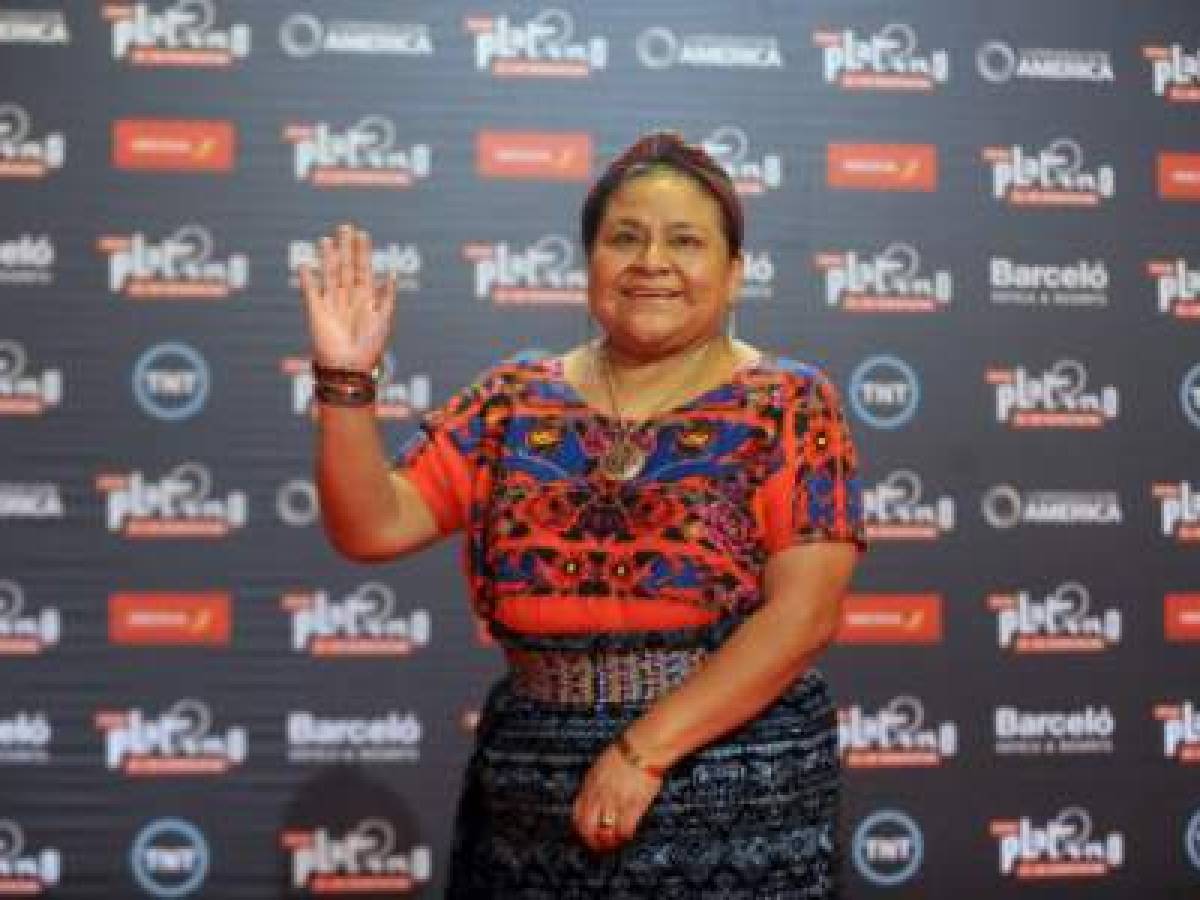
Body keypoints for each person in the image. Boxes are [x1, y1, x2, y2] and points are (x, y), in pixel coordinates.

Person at [299, 131, 866, 898]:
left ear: (734, 275)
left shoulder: (790, 403)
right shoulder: (511, 401)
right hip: (531, 793)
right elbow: (371, 526)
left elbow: (804, 616)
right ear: (590, 263)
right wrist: (345, 382)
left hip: (732, 788)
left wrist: (643, 752)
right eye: (624, 237)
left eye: (686, 241)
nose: (651, 261)